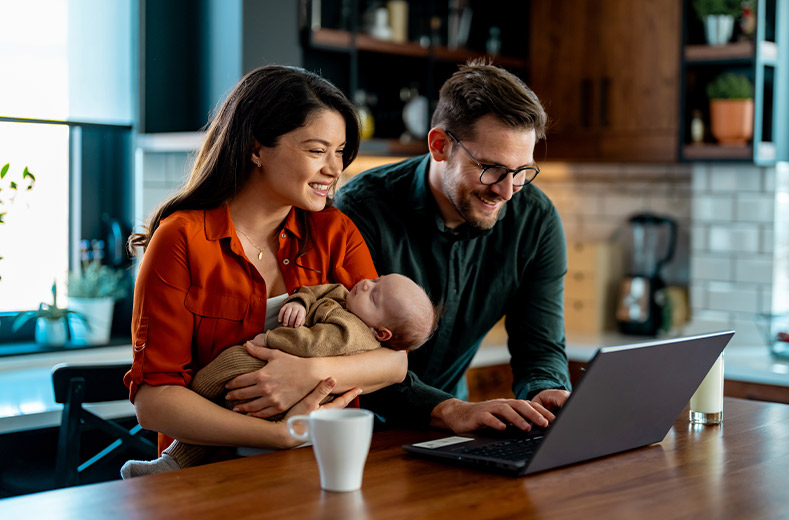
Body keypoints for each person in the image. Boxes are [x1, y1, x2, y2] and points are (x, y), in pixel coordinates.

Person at [124, 65, 408, 463]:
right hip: (210, 477)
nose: (334, 168)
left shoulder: (335, 232)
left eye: (340, 151)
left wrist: (307, 374)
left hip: (324, 462)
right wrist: (279, 435)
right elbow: (154, 402)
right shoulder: (181, 239)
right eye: (316, 150)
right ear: (256, 148)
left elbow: (393, 360)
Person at [335, 60, 572, 434]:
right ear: (440, 145)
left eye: (521, 171)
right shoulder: (360, 211)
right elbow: (344, 352)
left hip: (455, 428)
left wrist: (546, 391)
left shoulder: (535, 220)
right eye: (491, 168)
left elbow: (540, 345)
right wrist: (446, 409)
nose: (507, 192)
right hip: (357, 433)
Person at [122, 274, 438, 477]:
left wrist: (270, 339)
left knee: (227, 370)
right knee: (219, 412)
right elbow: (314, 291)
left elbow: (311, 345)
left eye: (375, 297)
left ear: (380, 333)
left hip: (284, 387)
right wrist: (300, 303)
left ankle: (192, 405)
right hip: (275, 390)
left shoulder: (353, 334)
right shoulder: (346, 297)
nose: (366, 284)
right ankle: (172, 461)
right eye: (377, 279)